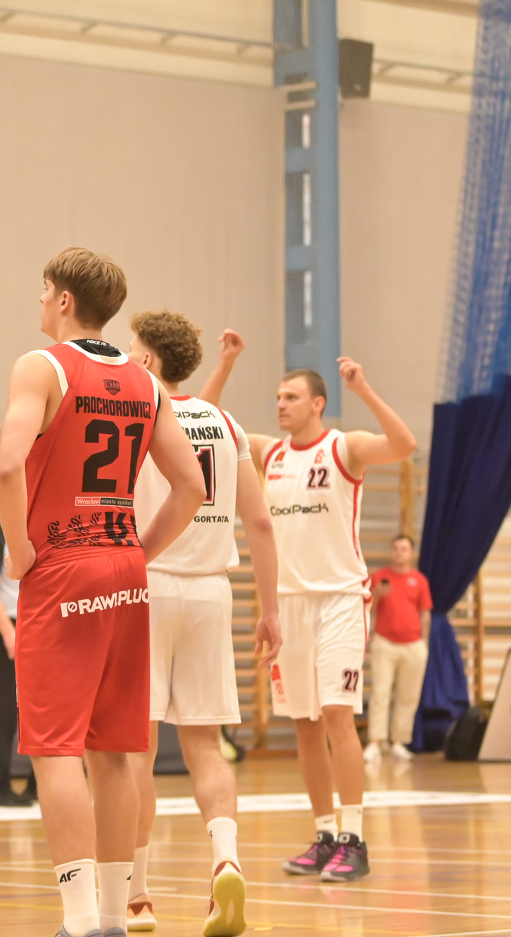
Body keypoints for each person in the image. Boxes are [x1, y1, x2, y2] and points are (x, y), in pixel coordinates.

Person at [0, 247, 206, 937]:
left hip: (62, 563)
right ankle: (114, 916)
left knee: (56, 750)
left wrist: (21, 551)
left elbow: (7, 467)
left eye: (42, 291)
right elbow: (192, 488)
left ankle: (80, 918)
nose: (38, 302)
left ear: (62, 299)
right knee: (115, 752)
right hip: (124, 568)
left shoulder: (41, 366)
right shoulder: (146, 383)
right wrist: (138, 554)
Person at [209, 335, 417, 883]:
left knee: (337, 715)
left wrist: (363, 389)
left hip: (340, 600)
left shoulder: (345, 448)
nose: (280, 404)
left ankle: (354, 838)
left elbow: (404, 443)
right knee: (304, 724)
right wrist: (225, 363)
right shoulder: (269, 453)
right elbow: (203, 422)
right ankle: (324, 834)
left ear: (317, 404)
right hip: (289, 606)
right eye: (278, 397)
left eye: (291, 397)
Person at [124, 313, 282, 936]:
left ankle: (137, 897)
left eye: (134, 349)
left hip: (147, 583)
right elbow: (261, 524)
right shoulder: (226, 423)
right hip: (213, 595)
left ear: (150, 361)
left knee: (135, 750)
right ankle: (226, 861)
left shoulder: (137, 411)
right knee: (206, 748)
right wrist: (270, 610)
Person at [0, 521, 37, 807]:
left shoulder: (38, 526)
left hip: (38, 623)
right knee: (7, 707)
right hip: (8, 626)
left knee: (43, 709)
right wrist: (8, 633)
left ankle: (37, 786)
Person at [364, 534, 432, 763]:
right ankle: (376, 742)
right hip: (385, 643)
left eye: (403, 549)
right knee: (380, 693)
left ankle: (399, 742)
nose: (399, 553)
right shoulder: (379, 578)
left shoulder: (419, 580)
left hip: (413, 644)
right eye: (395, 548)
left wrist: (423, 643)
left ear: (411, 553)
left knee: (408, 696)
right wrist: (377, 594)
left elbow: (425, 614)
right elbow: (367, 609)